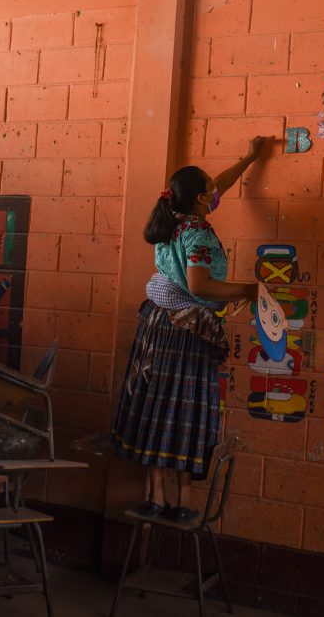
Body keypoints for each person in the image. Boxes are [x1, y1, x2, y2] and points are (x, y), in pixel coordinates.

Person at [111, 135, 273, 523]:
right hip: (184, 331)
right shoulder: (197, 233)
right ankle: (182, 504)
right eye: (209, 189)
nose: (215, 190)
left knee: (156, 407)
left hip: (158, 321)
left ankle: (156, 498)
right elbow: (201, 287)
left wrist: (250, 158)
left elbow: (220, 183)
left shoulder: (175, 219)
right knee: (183, 412)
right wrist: (248, 290)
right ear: (201, 198)